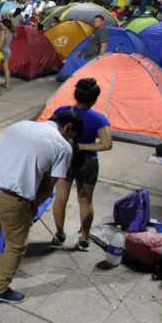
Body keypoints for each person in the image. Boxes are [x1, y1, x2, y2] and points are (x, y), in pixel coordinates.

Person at [0, 110, 80, 304]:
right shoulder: (63, 146)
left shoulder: (20, 124)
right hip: (12, 197)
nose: (70, 139)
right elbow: (51, 184)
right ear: (68, 128)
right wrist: (34, 206)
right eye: (71, 135)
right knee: (16, 245)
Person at [51, 78, 111, 251]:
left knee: (60, 196)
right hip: (88, 161)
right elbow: (107, 144)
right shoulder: (99, 119)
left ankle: (59, 234)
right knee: (85, 200)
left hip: (64, 158)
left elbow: (51, 131)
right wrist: (83, 146)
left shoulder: (62, 111)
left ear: (75, 95)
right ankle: (84, 238)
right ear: (95, 99)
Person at [0, 19, 14, 89]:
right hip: (8, 50)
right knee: (6, 68)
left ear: (4, 24)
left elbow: (0, 44)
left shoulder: (3, 32)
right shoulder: (10, 32)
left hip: (2, 51)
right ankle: (7, 84)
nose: (0, 24)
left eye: (1, 23)